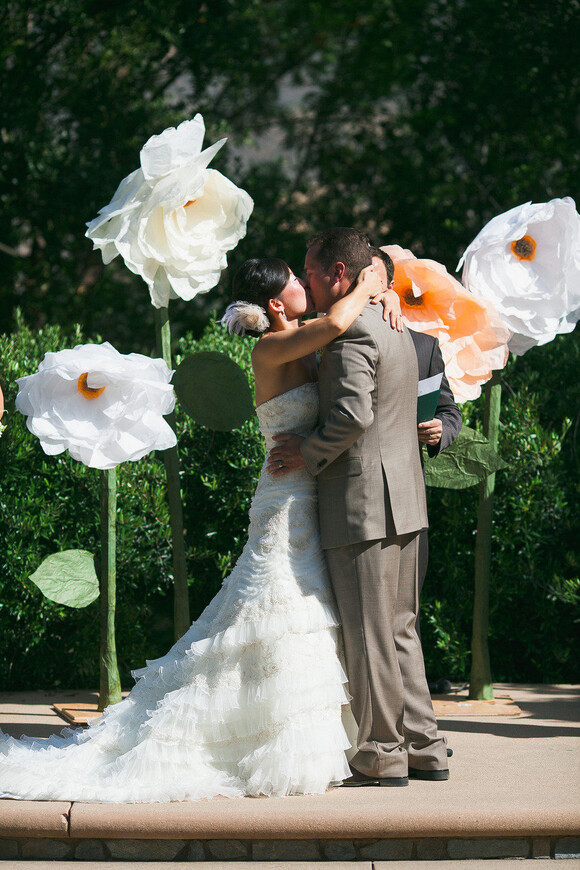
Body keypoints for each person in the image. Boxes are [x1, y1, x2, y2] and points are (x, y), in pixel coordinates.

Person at [0, 256, 397, 803]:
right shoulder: (271, 348)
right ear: (277, 303)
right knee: (272, 609)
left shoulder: (299, 334)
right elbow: (335, 323)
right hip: (286, 499)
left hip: (313, 492)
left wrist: (388, 295)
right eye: (296, 280)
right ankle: (256, 739)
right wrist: (375, 280)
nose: (307, 284)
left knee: (300, 611)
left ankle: (289, 730)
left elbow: (335, 323)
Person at [268, 228, 449, 786]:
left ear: (338, 275)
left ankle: (381, 751)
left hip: (361, 502)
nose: (311, 283)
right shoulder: (397, 329)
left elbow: (351, 416)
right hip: (406, 504)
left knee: (369, 633)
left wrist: (308, 452)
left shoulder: (349, 337)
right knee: (400, 630)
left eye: (313, 273)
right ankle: (425, 746)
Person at [371, 247, 462, 632]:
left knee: (404, 611)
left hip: (407, 493)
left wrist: (442, 429)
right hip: (346, 492)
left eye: (373, 280)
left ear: (390, 286)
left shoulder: (424, 346)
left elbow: (449, 410)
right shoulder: (329, 334)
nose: (366, 288)